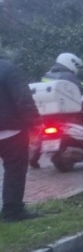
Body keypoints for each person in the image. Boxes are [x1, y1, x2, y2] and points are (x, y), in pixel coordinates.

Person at [1, 58, 42, 221]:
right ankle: (12, 211)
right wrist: (35, 121)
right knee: (14, 169)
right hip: (11, 130)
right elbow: (23, 98)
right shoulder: (8, 69)